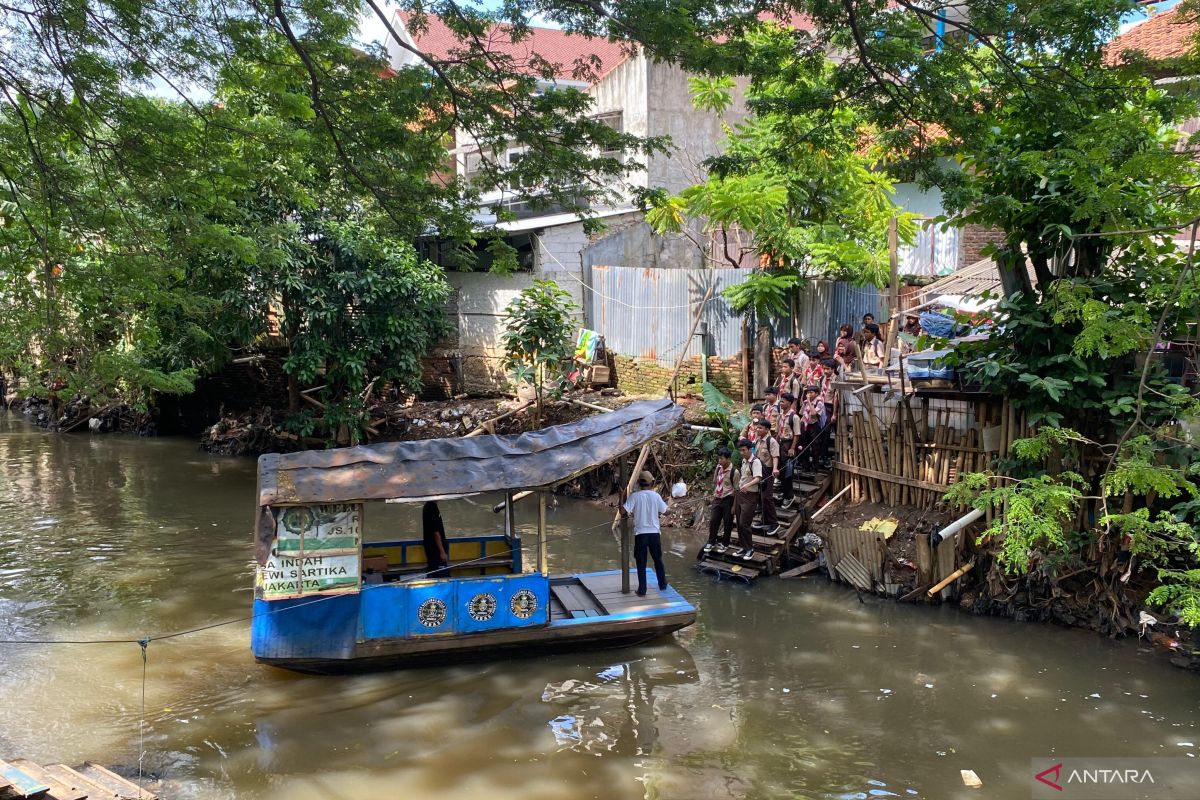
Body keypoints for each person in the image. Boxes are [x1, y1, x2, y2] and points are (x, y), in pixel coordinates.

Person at [621, 470, 670, 596]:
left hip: (641, 535)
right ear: (652, 483)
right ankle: (662, 584)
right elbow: (667, 512)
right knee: (658, 560)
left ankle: (642, 590)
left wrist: (621, 497)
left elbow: (622, 511)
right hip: (654, 534)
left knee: (641, 563)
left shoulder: (635, 496)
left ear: (638, 483)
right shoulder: (656, 496)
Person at [701, 448, 735, 556]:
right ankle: (711, 541)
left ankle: (725, 543)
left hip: (728, 499)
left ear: (728, 459)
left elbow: (737, 489)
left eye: (722, 459)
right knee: (714, 520)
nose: (719, 461)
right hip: (717, 498)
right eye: (719, 458)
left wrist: (734, 505)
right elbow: (715, 481)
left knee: (727, 521)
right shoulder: (718, 468)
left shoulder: (734, 472)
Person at [733, 439, 762, 560]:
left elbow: (758, 478)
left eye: (743, 450)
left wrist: (747, 485)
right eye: (740, 450)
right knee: (739, 523)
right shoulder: (744, 461)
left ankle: (750, 548)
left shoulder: (755, 462)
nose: (741, 453)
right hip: (741, 495)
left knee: (744, 523)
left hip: (750, 496)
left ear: (750, 449)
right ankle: (743, 547)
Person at [753, 418, 781, 536]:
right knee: (760, 496)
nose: (757, 429)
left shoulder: (771, 441)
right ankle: (764, 520)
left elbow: (775, 456)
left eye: (760, 428)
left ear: (767, 429)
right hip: (759, 471)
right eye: (757, 427)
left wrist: (775, 469)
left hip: (768, 471)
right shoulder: (758, 440)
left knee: (767, 497)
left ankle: (774, 523)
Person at [776, 392, 802, 509]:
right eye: (780, 401)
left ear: (790, 403)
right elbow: (778, 433)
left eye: (783, 401)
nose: (781, 403)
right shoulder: (780, 416)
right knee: (780, 470)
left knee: (788, 472)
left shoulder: (794, 417)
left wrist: (792, 448)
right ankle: (783, 491)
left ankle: (789, 496)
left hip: (788, 445)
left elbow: (797, 434)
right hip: (780, 445)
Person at [798, 385, 829, 472]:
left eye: (811, 393)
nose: (809, 394)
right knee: (804, 446)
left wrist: (809, 402)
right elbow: (802, 413)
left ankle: (815, 467)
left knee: (815, 447)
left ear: (817, 393)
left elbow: (813, 413)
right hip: (805, 425)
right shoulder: (805, 402)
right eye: (808, 393)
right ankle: (806, 466)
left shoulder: (819, 402)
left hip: (814, 425)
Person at [422, 501, 451, 578]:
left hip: (432, 549)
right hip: (436, 551)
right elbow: (435, 532)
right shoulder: (432, 508)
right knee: (441, 576)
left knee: (436, 572)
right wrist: (442, 552)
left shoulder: (428, 506)